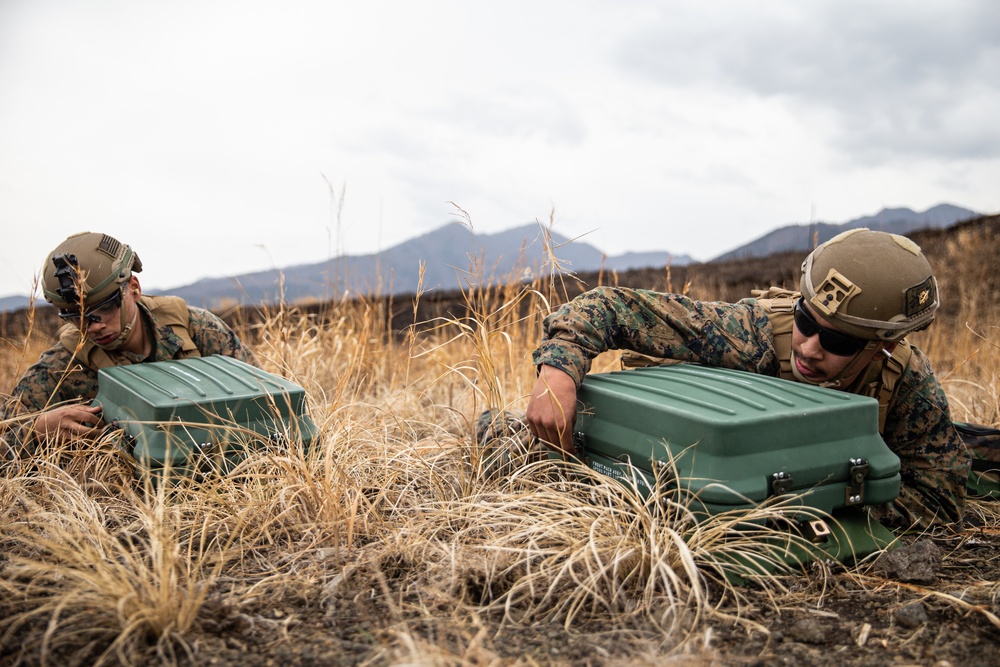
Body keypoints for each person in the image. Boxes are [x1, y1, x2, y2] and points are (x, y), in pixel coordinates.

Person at [519, 228, 970, 531]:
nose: (808, 348)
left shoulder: (904, 381)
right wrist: (558, 371)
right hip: (682, 458)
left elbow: (940, 495)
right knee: (505, 436)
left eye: (838, 342)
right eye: (804, 322)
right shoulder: (752, 333)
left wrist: (810, 505)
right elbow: (612, 308)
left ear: (883, 347)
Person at [2, 231, 258, 456]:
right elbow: (5, 436)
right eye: (76, 317)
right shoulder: (62, 367)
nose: (93, 326)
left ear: (133, 287)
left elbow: (270, 402)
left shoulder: (197, 330)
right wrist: (36, 431)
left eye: (104, 308)